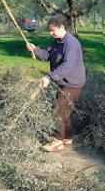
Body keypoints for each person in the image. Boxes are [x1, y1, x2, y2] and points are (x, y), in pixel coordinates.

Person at [26, 14, 86, 152]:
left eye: (53, 30)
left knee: (59, 109)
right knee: (66, 110)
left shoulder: (71, 44)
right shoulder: (57, 41)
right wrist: (34, 49)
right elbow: (47, 54)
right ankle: (67, 137)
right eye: (50, 30)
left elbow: (66, 66)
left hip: (73, 83)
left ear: (62, 27)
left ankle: (57, 141)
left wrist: (49, 77)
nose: (50, 33)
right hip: (64, 81)